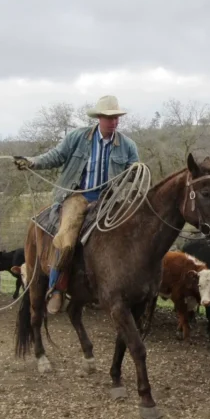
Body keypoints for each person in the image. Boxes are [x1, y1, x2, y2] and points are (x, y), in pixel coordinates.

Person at [13, 95, 140, 314]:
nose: (114, 122)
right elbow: (56, 156)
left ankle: (122, 287)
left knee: (132, 235)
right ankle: (56, 288)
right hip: (77, 196)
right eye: (110, 118)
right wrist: (32, 162)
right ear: (99, 118)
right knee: (66, 238)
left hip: (110, 200)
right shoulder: (78, 138)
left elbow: (134, 170)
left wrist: (137, 173)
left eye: (117, 118)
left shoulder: (127, 145)